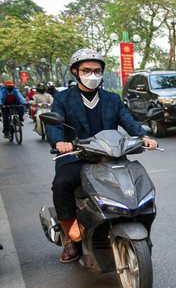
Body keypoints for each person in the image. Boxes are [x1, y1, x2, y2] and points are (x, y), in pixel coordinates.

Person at [49, 48, 157, 263]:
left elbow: (127, 121)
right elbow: (55, 125)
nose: (92, 75)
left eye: (97, 71)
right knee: (62, 184)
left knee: (137, 180)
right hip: (77, 156)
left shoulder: (111, 99)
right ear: (75, 71)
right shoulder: (63, 98)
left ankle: (136, 227)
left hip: (110, 156)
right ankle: (71, 237)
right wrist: (59, 142)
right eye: (86, 70)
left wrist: (143, 136)